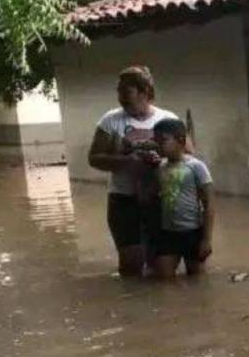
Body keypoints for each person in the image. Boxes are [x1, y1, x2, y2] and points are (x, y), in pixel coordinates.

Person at [87, 66, 178, 277]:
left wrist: (162, 160)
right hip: (123, 200)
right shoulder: (110, 120)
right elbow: (94, 158)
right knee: (130, 267)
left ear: (145, 91)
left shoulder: (168, 120)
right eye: (118, 92)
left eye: (126, 92)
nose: (120, 98)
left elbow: (188, 156)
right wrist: (127, 162)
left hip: (160, 200)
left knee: (162, 269)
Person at [148, 118, 214, 280]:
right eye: (156, 141)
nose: (158, 145)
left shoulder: (196, 166)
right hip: (167, 233)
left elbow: (209, 204)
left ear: (181, 140)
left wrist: (206, 239)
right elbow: (154, 197)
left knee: (197, 279)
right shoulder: (159, 167)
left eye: (162, 141)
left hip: (192, 231)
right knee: (163, 279)